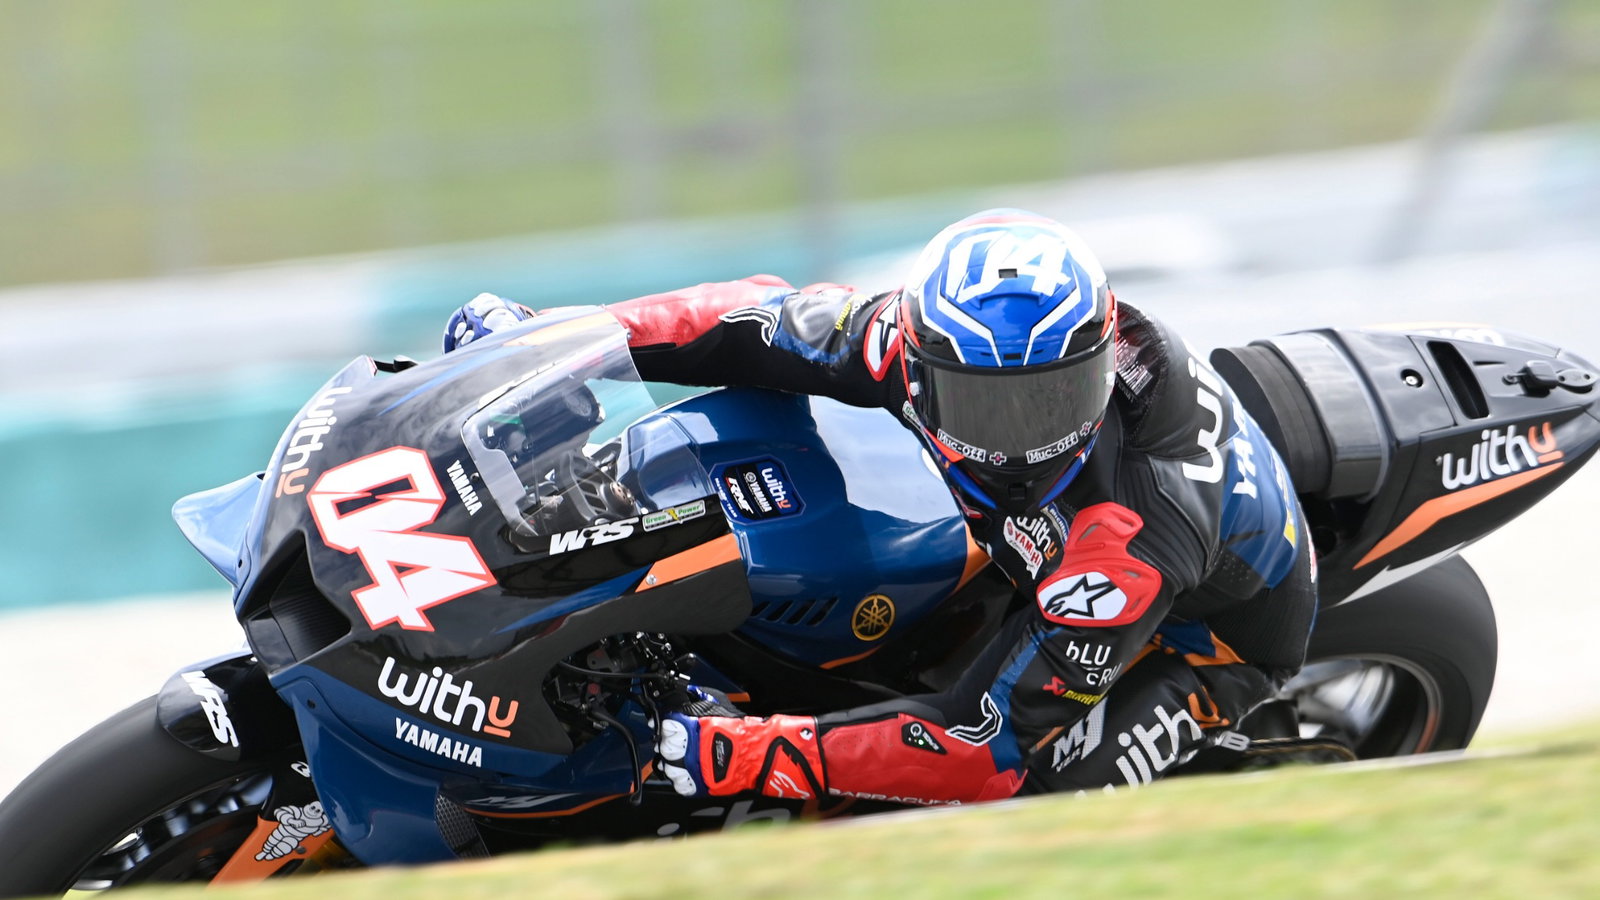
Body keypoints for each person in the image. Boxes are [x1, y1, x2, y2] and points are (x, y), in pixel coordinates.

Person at [444, 209, 1317, 801]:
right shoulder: (909, 335)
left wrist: (753, 756)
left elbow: (982, 748)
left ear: (1092, 375)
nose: (1011, 438)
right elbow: (754, 319)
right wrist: (557, 340)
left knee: (1024, 817)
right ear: (922, 355)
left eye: (1042, 405)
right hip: (1027, 552)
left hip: (1207, 635)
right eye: (981, 404)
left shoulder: (1127, 539)